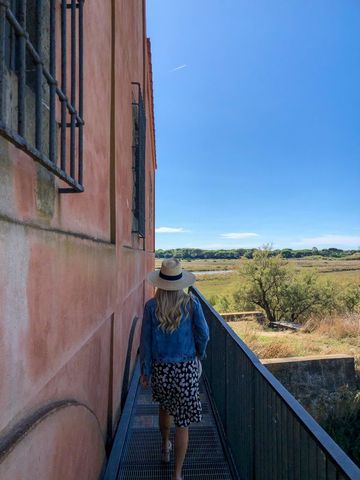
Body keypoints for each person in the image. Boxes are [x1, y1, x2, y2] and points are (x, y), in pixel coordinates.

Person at [140, 257, 210, 480]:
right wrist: (200, 352)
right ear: (180, 282)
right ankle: (177, 475)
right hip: (186, 370)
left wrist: (145, 371)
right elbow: (204, 334)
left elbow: (146, 342)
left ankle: (164, 447)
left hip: (161, 370)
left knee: (164, 408)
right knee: (183, 423)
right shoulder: (191, 303)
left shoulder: (151, 306)